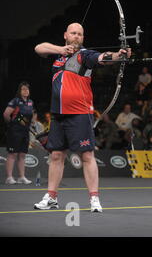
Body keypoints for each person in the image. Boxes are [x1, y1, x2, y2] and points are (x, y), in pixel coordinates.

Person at [33, 22, 131, 212]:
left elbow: (103, 58)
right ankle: (51, 197)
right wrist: (61, 49)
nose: (76, 36)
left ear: (83, 38)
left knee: (87, 155)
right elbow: (39, 48)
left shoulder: (85, 55)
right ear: (66, 35)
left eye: (80, 34)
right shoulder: (58, 55)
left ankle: (94, 199)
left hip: (79, 113)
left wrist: (120, 55)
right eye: (73, 33)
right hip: (58, 113)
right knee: (56, 155)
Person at [3, 82, 34, 185]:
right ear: (19, 91)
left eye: (27, 89)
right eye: (23, 89)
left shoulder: (30, 102)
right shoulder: (15, 101)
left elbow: (31, 116)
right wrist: (11, 125)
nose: (26, 91)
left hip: (25, 131)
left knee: (22, 154)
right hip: (15, 131)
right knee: (13, 154)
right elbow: (6, 114)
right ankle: (9, 177)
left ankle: (21, 177)